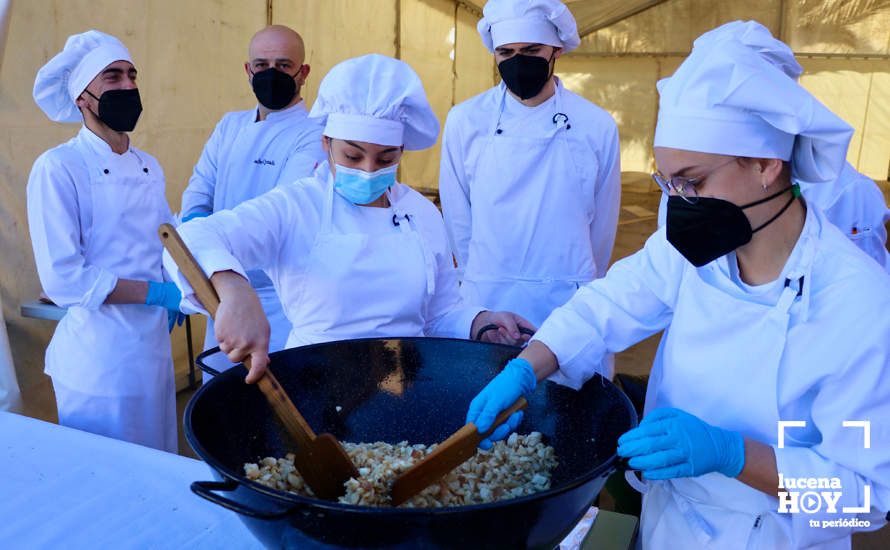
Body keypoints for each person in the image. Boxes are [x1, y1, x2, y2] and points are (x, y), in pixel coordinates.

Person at [465, 21, 890, 548]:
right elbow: (604, 306)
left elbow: (862, 503)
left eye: (693, 181)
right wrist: (529, 367)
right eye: (667, 183)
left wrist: (733, 455)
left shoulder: (857, 303)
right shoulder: (694, 252)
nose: (677, 203)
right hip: (670, 521)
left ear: (765, 164)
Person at [165, 54, 533, 383]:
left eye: (386, 159)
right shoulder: (297, 206)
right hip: (316, 382)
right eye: (353, 157)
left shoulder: (420, 212)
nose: (369, 170)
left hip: (410, 382)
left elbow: (439, 314)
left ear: (402, 151)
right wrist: (233, 288)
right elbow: (191, 238)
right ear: (326, 143)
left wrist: (480, 323)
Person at [438, 0, 621, 376]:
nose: (518, 61)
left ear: (556, 50)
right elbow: (458, 219)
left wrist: (578, 278)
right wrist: (481, 279)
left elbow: (602, 226)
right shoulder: (465, 121)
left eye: (531, 51)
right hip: (488, 295)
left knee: (566, 411)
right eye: (506, 52)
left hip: (567, 299)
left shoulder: (596, 125)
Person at [27, 30, 181, 452]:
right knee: (109, 480)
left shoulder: (148, 166)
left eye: (132, 75)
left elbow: (166, 241)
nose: (128, 86)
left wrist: (181, 284)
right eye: (112, 77)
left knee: (159, 469)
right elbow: (64, 281)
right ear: (82, 97)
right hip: (99, 365)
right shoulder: (59, 167)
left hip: (152, 356)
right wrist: (156, 293)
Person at [180, 25, 325, 371]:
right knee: (216, 405)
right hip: (218, 292)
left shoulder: (315, 132)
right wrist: (200, 255)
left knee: (267, 409)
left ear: (302, 73)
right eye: (261, 65)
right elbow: (199, 192)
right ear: (248, 71)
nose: (270, 74)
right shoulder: (229, 126)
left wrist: (216, 251)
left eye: (283, 65)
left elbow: (282, 210)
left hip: (278, 304)